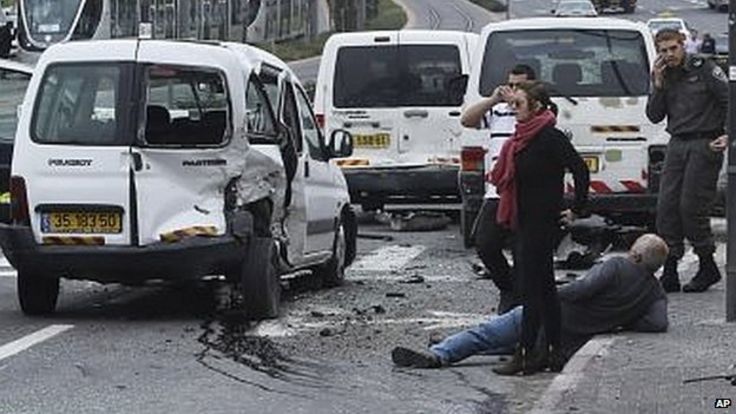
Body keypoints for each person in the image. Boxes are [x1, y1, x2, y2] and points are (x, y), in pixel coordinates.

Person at [391, 234, 670, 373]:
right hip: (569, 337)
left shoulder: (617, 266)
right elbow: (658, 323)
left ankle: (439, 354)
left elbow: (582, 289)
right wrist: (623, 320)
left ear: (635, 254)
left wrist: (547, 294)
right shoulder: (654, 292)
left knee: (487, 333)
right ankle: (451, 342)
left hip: (548, 316)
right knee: (505, 342)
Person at [486, 81, 589, 375]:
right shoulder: (521, 138)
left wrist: (578, 208)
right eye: (512, 104)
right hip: (524, 219)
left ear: (537, 106)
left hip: (542, 222)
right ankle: (554, 351)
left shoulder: (549, 136)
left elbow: (580, 169)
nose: (513, 110)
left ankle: (526, 353)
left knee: (530, 288)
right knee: (544, 288)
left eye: (518, 104)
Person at [646, 28, 728, 293]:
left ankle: (707, 265)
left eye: (673, 48)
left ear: (684, 46)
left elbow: (729, 100)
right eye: (663, 50)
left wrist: (728, 134)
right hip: (678, 143)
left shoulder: (703, 68)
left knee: (691, 206)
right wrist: (657, 84)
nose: (669, 55)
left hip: (704, 142)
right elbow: (654, 116)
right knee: (667, 206)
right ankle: (670, 269)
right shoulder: (663, 75)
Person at [459, 64, 537, 314]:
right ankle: (508, 287)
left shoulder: (537, 113)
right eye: (511, 85)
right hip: (496, 191)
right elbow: (467, 120)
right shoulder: (499, 111)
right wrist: (492, 99)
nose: (514, 92)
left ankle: (522, 305)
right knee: (485, 244)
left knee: (522, 250)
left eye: (520, 86)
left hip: (525, 193)